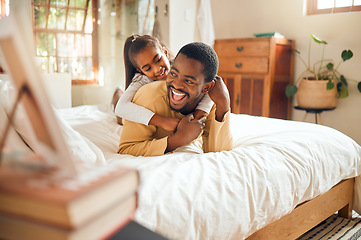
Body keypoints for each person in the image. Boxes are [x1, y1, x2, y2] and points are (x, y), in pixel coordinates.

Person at [117, 42, 233, 156]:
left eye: (188, 81)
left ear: (206, 88)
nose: (177, 85)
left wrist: (223, 104)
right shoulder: (148, 95)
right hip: (129, 107)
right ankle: (117, 92)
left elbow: (219, 152)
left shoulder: (210, 100)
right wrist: (178, 140)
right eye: (173, 74)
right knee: (118, 114)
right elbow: (126, 149)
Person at [114, 34, 213, 132]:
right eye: (148, 68)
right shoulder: (142, 80)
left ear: (165, 53)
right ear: (141, 71)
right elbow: (120, 108)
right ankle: (118, 92)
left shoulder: (180, 67)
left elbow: (210, 86)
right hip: (127, 110)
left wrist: (198, 116)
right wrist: (162, 121)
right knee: (120, 119)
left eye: (158, 60)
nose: (157, 69)